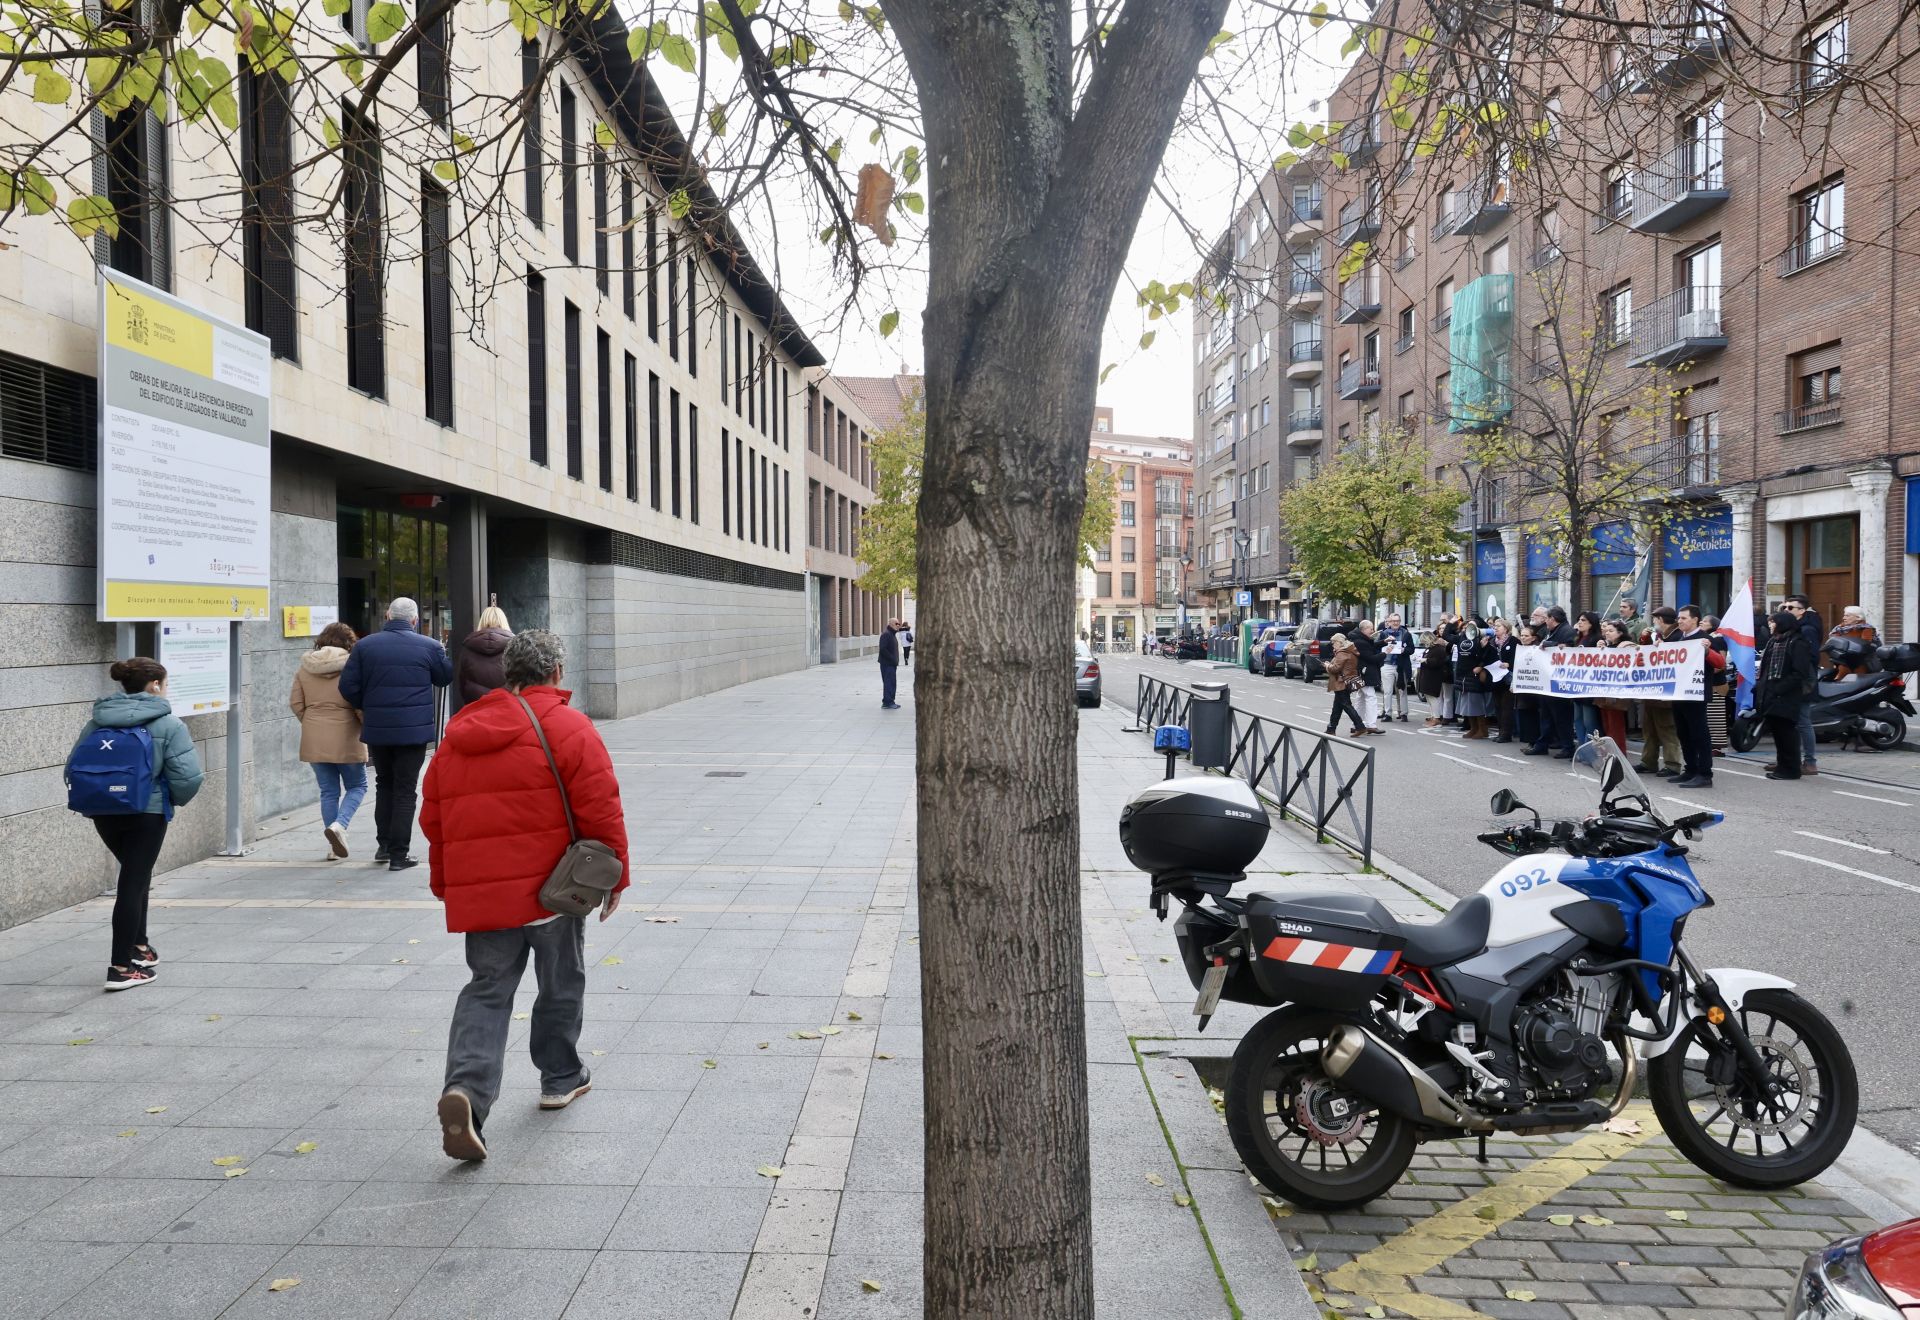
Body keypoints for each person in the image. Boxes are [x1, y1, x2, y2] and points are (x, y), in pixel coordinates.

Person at [422, 630, 629, 1161]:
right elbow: (600, 807)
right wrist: (615, 876)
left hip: (484, 896)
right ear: (557, 672)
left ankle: (466, 1091)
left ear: (506, 673)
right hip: (551, 891)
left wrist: (446, 883)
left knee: (487, 989)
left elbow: (435, 818)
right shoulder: (568, 726)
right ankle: (560, 1076)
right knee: (560, 979)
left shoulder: (460, 731)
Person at [69, 657, 204, 990]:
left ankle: (139, 946)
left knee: (136, 874)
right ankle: (120, 967)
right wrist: (170, 799)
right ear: (155, 685)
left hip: (103, 811)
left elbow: (73, 766)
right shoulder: (169, 723)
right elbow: (187, 777)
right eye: (165, 683)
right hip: (147, 811)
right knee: (132, 882)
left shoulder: (97, 722)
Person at [338, 596, 454, 871]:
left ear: (388, 616)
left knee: (384, 785)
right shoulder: (429, 646)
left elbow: (347, 686)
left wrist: (366, 705)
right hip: (413, 733)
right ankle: (399, 855)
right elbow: (444, 677)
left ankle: (384, 846)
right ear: (414, 621)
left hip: (378, 728)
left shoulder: (365, 646)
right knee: (405, 790)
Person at [290, 621, 370, 859]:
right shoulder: (353, 666)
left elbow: (295, 703)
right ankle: (340, 826)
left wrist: (312, 722)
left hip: (314, 734)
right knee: (358, 786)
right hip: (347, 733)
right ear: (349, 643)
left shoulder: (305, 667)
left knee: (328, 791)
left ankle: (333, 847)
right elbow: (357, 701)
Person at [1756, 609, 1817, 780]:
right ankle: (1782, 766)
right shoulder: (1774, 642)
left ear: (1783, 623)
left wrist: (1779, 688)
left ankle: (1791, 769)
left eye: (1773, 622)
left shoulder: (1797, 642)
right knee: (1778, 733)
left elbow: (1799, 672)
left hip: (1787, 695)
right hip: (1771, 694)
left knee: (1787, 732)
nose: (1770, 626)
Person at [1671, 604, 1726, 789]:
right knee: (1683, 733)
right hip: (1679, 693)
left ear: (1695, 620)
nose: (1680, 621)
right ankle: (1690, 769)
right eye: (1679, 618)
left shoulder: (1706, 639)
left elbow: (1720, 663)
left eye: (1684, 618)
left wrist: (1708, 651)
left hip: (1696, 694)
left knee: (1699, 734)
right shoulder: (1678, 638)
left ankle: (1704, 774)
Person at [1635, 606, 1685, 777]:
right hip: (1652, 692)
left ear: (1661, 620)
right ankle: (1648, 761)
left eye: (1655, 619)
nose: (1654, 622)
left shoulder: (1677, 637)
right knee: (1649, 729)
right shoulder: (1662, 636)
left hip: (1666, 693)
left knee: (1667, 729)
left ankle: (1673, 764)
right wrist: (1645, 641)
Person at [1525, 606, 1577, 758]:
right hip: (1548, 680)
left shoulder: (1567, 631)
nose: (1545, 622)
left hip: (1559, 682)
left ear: (1553, 619)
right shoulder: (1552, 631)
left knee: (1561, 717)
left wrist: (1549, 645)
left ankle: (1568, 746)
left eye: (1547, 619)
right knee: (1546, 715)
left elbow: (1569, 650)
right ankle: (1542, 744)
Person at [1784, 595, 1823, 775]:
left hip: (1804, 681)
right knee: (1793, 721)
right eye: (1785, 607)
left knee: (1803, 721)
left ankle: (1810, 761)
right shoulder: (1795, 628)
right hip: (1794, 680)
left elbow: (1812, 657)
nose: (1786, 610)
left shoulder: (1807, 630)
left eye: (1791, 608)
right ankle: (1791, 759)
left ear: (1802, 611)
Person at [454, 605, 514, 708]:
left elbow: (461, 683)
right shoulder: (515, 647)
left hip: (476, 707)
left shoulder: (468, 646)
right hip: (507, 707)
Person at [1594, 618, 1635, 752]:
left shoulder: (1627, 646)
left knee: (1616, 727)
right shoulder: (1606, 646)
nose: (1607, 633)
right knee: (1607, 726)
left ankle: (1619, 756)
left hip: (1617, 694)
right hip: (1604, 692)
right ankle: (1610, 754)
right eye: (1606, 631)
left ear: (1620, 633)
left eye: (1611, 631)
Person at [1454, 621, 1497, 739]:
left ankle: (1483, 730)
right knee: (1468, 705)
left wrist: (1481, 665)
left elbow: (1487, 655)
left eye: (1473, 625)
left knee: (1476, 704)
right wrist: (1452, 623)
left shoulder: (1482, 639)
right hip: (1464, 676)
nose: (1469, 627)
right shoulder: (1462, 638)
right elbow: (1447, 636)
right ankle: (1474, 728)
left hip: (1475, 676)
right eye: (1467, 625)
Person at [1569, 610, 1604, 749]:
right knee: (1578, 720)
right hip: (1577, 684)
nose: (1580, 623)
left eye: (1583, 620)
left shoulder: (1596, 639)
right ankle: (1582, 749)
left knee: (1589, 721)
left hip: (1590, 686)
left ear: (1592, 623)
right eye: (1579, 620)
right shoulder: (1577, 639)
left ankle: (1591, 750)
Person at [1323, 634, 1366, 737]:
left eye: (1333, 643)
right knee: (1337, 707)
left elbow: (1335, 669)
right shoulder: (1350, 650)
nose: (1332, 645)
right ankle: (1331, 728)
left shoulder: (1342, 653)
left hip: (1341, 682)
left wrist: (1328, 666)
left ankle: (1360, 726)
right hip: (1348, 681)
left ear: (1339, 642)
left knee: (1346, 705)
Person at [1826, 606, 1879, 679]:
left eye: (1847, 616)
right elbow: (1834, 643)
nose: (1844, 618)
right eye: (1844, 615)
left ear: (1858, 617)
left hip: (1859, 664)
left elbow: (1865, 646)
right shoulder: (1839, 629)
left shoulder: (1866, 629)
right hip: (1840, 661)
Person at [1379, 613, 1414, 721]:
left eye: (1397, 621)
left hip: (1401, 665)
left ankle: (1404, 713)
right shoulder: (1384, 634)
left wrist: (1404, 650)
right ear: (1389, 622)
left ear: (1400, 621)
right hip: (1387, 664)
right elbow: (1378, 646)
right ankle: (1388, 714)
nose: (1395, 623)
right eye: (1393, 621)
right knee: (1387, 691)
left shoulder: (1406, 634)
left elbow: (1411, 649)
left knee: (1402, 690)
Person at [1352, 620, 1386, 733]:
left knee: (1360, 698)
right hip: (1364, 673)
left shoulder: (1359, 639)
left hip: (1359, 672)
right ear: (1364, 629)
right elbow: (1371, 657)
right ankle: (1371, 725)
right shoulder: (1360, 642)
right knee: (1371, 697)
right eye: (1371, 628)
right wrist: (1385, 653)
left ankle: (1357, 724)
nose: (1373, 631)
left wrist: (1384, 642)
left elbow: (1370, 646)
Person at [1512, 623, 1542, 748]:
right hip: (1522, 687)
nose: (1523, 638)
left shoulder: (1538, 650)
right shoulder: (1520, 649)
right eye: (1522, 635)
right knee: (1523, 714)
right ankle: (1529, 741)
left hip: (1533, 689)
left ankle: (1535, 742)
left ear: (1533, 638)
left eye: (1526, 636)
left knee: (1532, 715)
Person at [1417, 621, 1452, 726]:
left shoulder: (1438, 649)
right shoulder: (1430, 649)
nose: (1423, 643)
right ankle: (1433, 715)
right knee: (1429, 697)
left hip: (1433, 676)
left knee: (1434, 697)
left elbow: (1437, 662)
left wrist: (1425, 660)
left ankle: (1436, 717)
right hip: (1427, 675)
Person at [1491, 619, 1517, 742]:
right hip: (1496, 678)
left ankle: (1506, 734)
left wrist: (1509, 664)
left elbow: (1519, 658)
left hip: (1508, 678)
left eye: (1498, 626)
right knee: (1498, 706)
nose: (1495, 628)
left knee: (1506, 707)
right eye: (1494, 626)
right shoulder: (1492, 642)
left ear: (1506, 628)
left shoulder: (1513, 641)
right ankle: (1500, 731)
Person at [878, 619, 902, 708]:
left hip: (891, 664)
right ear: (891, 624)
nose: (898, 625)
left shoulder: (892, 634)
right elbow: (883, 649)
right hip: (887, 664)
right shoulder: (886, 634)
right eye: (896, 623)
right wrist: (892, 659)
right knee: (889, 683)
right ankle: (887, 702)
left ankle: (890, 701)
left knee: (892, 683)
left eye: (899, 624)